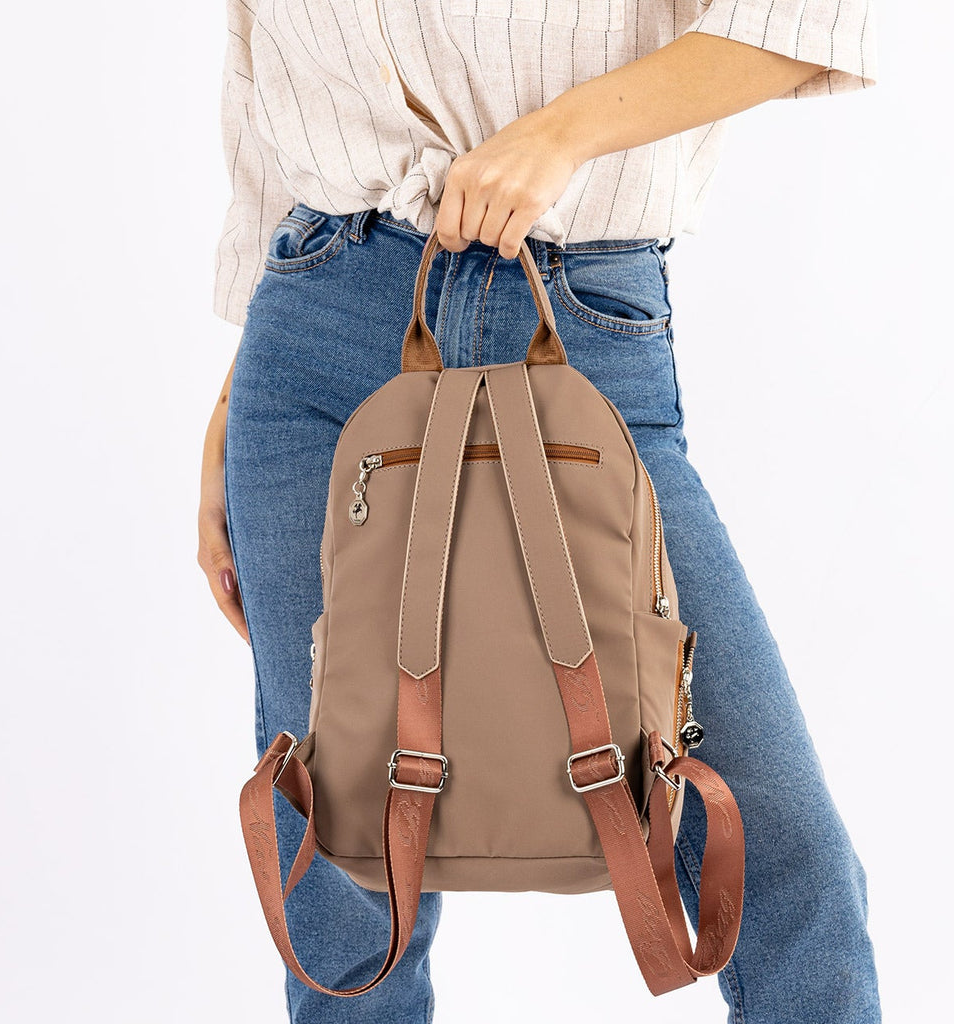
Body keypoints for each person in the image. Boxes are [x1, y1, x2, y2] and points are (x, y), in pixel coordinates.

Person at [198, 3, 882, 1022]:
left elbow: (810, 20)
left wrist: (558, 135)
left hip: (575, 313)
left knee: (778, 842)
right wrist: (226, 410)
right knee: (343, 866)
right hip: (314, 339)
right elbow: (266, 72)